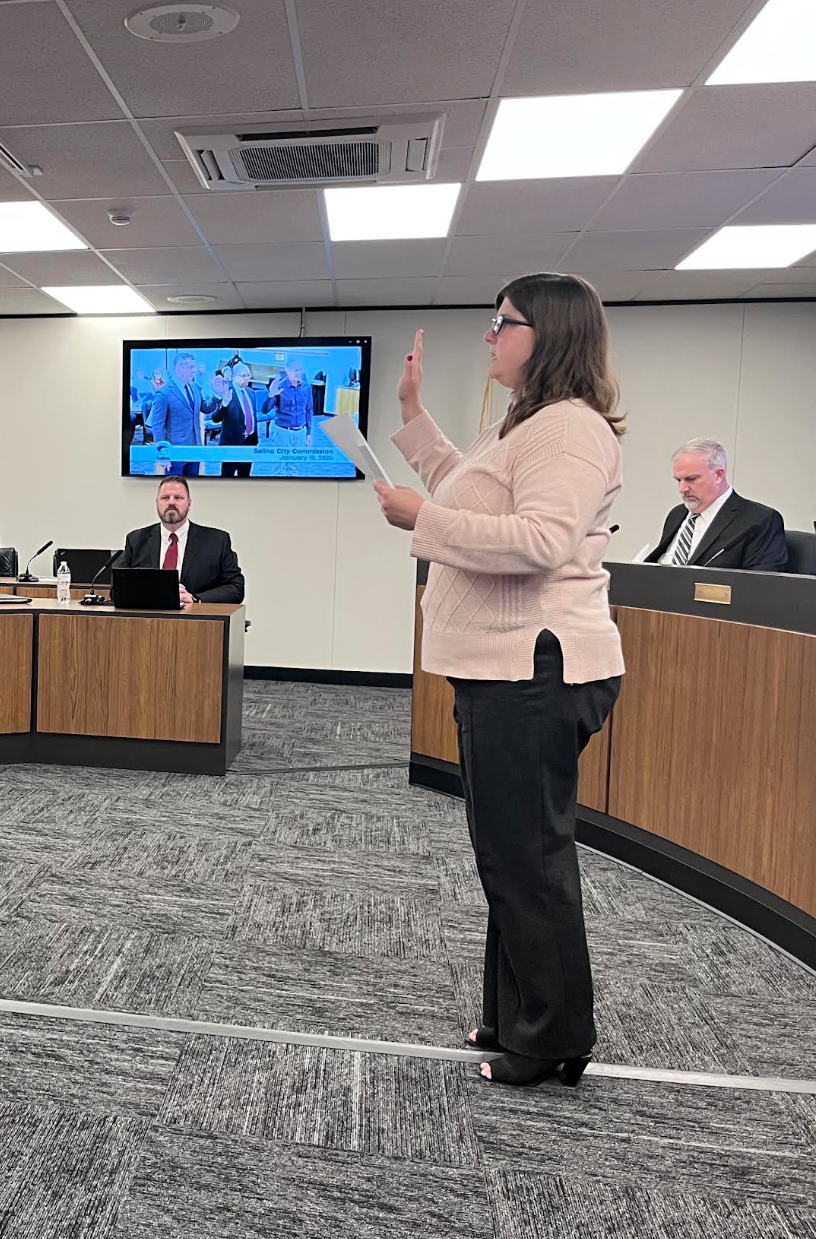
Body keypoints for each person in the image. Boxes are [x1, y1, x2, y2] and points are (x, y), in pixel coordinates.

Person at [374, 273, 625, 1089]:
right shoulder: (525, 424)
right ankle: (517, 1014)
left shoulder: (570, 429)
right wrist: (413, 417)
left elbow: (541, 538)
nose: (490, 335)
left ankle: (552, 1038)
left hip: (537, 664)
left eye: (503, 322)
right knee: (507, 853)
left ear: (546, 334)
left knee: (526, 857)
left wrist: (425, 520)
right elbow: (464, 486)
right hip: (503, 665)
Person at [645, 438, 786, 572]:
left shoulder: (759, 520)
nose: (682, 489)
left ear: (718, 475)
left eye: (691, 479)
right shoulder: (677, 514)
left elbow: (759, 585)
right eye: (678, 480)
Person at [121, 476, 245, 604]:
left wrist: (194, 599)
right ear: (157, 502)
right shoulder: (136, 540)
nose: (171, 503)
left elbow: (236, 588)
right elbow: (117, 589)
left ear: (189, 503)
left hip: (197, 620)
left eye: (178, 498)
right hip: (147, 620)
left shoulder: (217, 541)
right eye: (165, 498)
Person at [144, 352, 204, 475]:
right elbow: (157, 426)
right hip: (175, 452)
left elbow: (206, 408)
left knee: (192, 488)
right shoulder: (164, 393)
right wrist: (162, 455)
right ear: (178, 368)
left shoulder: (195, 387)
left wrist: (219, 396)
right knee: (174, 490)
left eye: (194, 367)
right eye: (190, 367)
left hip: (195, 449)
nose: (194, 371)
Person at [209, 362, 261, 477]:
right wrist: (225, 403)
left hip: (249, 443)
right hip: (231, 445)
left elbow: (252, 417)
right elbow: (215, 418)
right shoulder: (226, 391)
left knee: (245, 478)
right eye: (243, 376)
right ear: (233, 377)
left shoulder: (251, 393)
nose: (247, 378)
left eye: (248, 375)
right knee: (227, 480)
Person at [269, 360, 314, 444]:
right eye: (296, 370)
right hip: (283, 432)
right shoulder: (279, 387)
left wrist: (309, 433)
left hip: (301, 432)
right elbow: (265, 410)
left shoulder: (306, 387)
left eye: (301, 370)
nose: (299, 373)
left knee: (298, 457)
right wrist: (271, 396)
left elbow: (309, 410)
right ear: (287, 370)